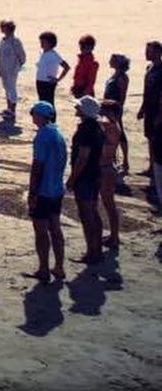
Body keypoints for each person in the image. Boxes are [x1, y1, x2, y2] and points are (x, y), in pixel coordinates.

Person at [26, 100, 68, 281]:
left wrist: (32, 192)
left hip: (44, 190)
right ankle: (59, 266)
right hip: (57, 188)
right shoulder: (58, 133)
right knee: (56, 228)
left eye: (34, 113)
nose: (32, 117)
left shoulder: (42, 136)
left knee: (41, 230)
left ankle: (43, 268)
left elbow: (38, 166)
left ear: (41, 116)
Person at [69, 95, 105, 265]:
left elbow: (82, 157)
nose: (76, 109)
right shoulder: (98, 128)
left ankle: (92, 251)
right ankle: (96, 248)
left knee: (86, 214)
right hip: (95, 173)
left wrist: (72, 178)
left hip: (85, 176)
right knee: (93, 211)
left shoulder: (85, 130)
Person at [98, 98, 122, 249]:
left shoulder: (110, 126)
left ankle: (114, 237)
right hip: (106, 167)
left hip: (106, 168)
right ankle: (113, 235)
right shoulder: (111, 125)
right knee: (108, 204)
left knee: (109, 204)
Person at [105, 54, 132, 172]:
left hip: (115, 108)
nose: (110, 61)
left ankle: (125, 161)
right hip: (108, 107)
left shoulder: (122, 77)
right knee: (111, 133)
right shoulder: (115, 74)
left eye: (113, 60)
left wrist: (119, 109)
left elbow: (122, 95)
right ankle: (114, 158)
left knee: (120, 134)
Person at [143, 41, 162, 205]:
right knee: (149, 137)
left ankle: (156, 165)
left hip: (157, 110)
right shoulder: (149, 68)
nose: (146, 53)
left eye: (149, 51)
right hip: (149, 109)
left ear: (157, 52)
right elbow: (146, 89)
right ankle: (151, 166)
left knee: (156, 139)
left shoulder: (161, 70)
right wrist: (142, 108)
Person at [0, 19, 27, 119]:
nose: (2, 29)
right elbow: (0, 55)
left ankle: (13, 110)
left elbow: (22, 56)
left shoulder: (15, 41)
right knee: (6, 89)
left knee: (12, 89)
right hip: (3, 68)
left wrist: (17, 66)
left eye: (4, 27)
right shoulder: (2, 40)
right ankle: (8, 108)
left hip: (12, 69)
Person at [35, 32, 70, 107]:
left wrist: (58, 79)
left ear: (50, 43)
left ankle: (51, 118)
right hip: (40, 81)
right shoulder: (42, 53)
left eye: (44, 42)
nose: (41, 44)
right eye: (41, 42)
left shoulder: (54, 55)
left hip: (48, 83)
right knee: (41, 102)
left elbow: (66, 67)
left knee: (49, 103)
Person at [71, 35, 99, 99]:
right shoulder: (81, 60)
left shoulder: (93, 63)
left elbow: (91, 81)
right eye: (81, 46)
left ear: (92, 48)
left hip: (85, 91)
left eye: (85, 47)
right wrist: (74, 86)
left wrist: (85, 93)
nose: (82, 49)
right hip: (78, 90)